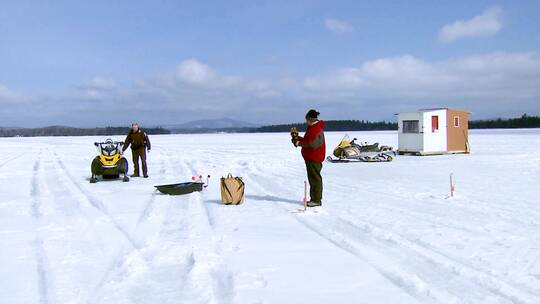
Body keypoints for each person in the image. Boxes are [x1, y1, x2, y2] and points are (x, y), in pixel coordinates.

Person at [292, 109, 326, 207]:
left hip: (314, 158)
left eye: (307, 119)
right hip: (311, 158)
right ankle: (314, 199)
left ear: (310, 119)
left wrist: (298, 143)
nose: (306, 121)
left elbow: (312, 143)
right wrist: (298, 138)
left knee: (315, 179)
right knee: (313, 179)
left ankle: (316, 200)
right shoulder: (312, 127)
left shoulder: (316, 129)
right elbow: (308, 140)